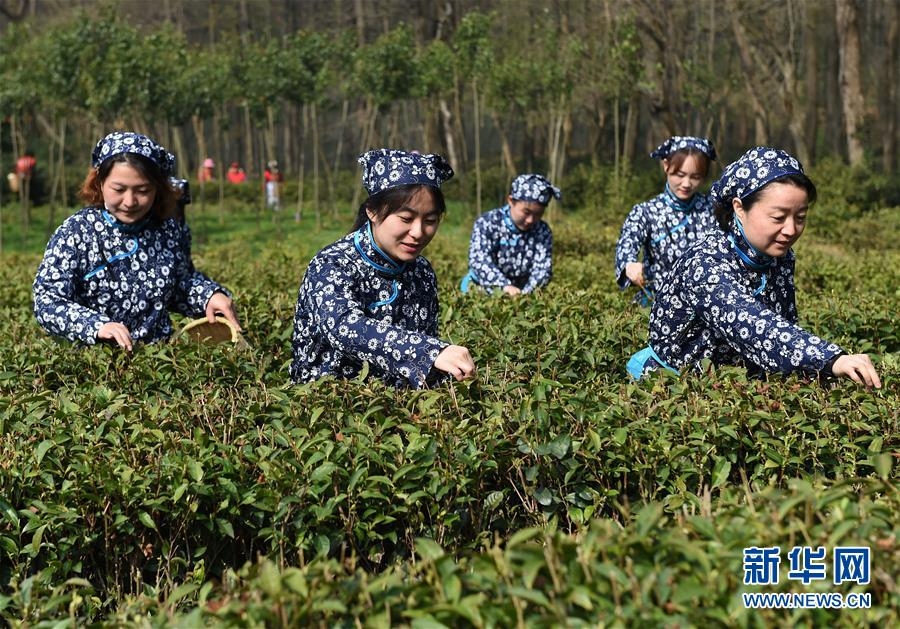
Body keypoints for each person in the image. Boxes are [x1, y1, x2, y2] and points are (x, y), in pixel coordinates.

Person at [627, 146, 881, 388]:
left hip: (735, 385)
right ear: (739, 208)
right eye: (778, 218)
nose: (791, 230)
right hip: (672, 387)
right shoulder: (705, 264)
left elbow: (783, 321)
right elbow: (750, 324)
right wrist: (831, 359)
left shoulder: (779, 256)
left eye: (800, 217)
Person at [33, 131, 240, 351]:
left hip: (158, 362)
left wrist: (208, 296)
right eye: (119, 189)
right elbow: (47, 300)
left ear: (158, 190)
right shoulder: (77, 232)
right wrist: (96, 326)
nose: (130, 201)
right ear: (100, 183)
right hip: (94, 362)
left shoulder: (167, 229)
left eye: (143, 190)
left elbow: (180, 283)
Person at [291, 148, 476, 388]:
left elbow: (425, 338)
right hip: (332, 400)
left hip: (397, 400)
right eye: (406, 219)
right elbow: (344, 327)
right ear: (373, 211)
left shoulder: (421, 271)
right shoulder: (332, 264)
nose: (418, 233)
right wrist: (429, 352)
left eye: (430, 221)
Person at [615, 136, 718, 305]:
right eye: (680, 174)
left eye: (695, 177)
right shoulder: (645, 212)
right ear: (666, 166)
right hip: (656, 301)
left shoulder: (712, 209)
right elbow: (627, 241)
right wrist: (629, 264)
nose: (686, 184)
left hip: (704, 303)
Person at [460, 173, 560, 295]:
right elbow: (479, 260)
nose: (530, 220)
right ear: (511, 201)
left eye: (538, 214)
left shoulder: (542, 231)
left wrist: (524, 295)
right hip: (482, 287)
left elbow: (543, 269)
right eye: (526, 212)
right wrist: (503, 286)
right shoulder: (487, 223)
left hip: (521, 292)